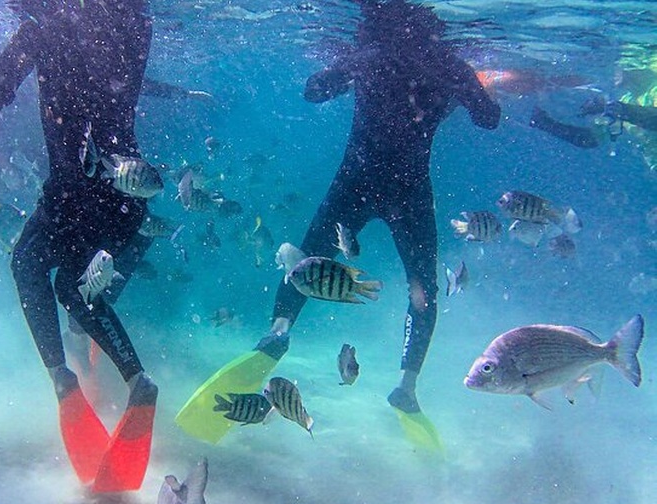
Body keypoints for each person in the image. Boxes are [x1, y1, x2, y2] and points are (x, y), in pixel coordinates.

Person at [176, 0, 500, 444]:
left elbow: (313, 90)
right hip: (407, 190)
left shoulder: (374, 56)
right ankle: (406, 387)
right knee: (420, 285)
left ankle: (278, 333)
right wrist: (461, 80)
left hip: (358, 181)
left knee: (308, 263)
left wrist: (357, 61)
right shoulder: (446, 63)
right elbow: (489, 119)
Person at [0, 0, 158, 492]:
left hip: (78, 190)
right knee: (76, 292)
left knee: (33, 267)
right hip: (122, 190)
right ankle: (119, 375)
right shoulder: (135, 23)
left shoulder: (45, 26)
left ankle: (82, 380)